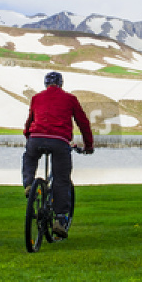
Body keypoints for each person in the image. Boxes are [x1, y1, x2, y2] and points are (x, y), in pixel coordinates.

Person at [22, 70, 93, 238]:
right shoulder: (70, 99)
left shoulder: (36, 98)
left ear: (45, 84)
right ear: (61, 84)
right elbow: (83, 122)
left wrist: (28, 136)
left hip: (36, 139)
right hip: (59, 141)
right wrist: (88, 146)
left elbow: (29, 121)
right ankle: (60, 220)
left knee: (29, 157)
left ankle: (29, 184)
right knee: (61, 179)